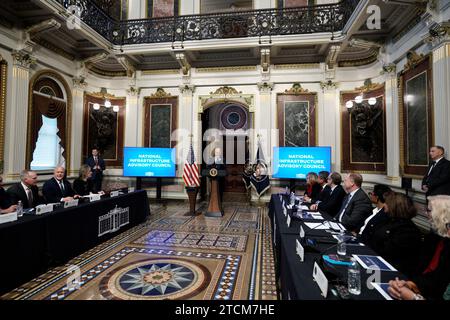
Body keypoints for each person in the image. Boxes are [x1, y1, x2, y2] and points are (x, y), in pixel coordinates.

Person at [388, 195, 450, 300]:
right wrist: (411, 284)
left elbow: (441, 284)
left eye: (429, 210)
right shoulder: (433, 239)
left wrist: (413, 297)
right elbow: (431, 276)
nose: (426, 213)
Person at [368, 192, 421, 276]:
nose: (384, 205)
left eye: (387, 203)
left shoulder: (408, 230)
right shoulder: (389, 221)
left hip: (390, 272)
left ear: (394, 206)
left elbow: (390, 254)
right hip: (375, 262)